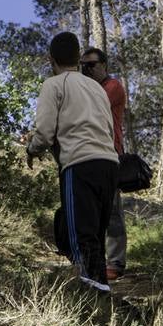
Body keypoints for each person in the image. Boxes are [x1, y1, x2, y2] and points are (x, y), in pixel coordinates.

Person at [25, 32, 118, 293]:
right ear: (78, 57)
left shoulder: (53, 85)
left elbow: (44, 133)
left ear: (50, 59)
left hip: (79, 165)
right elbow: (109, 128)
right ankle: (102, 291)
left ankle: (91, 298)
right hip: (109, 164)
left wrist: (32, 149)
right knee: (96, 237)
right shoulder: (97, 88)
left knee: (80, 237)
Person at [80, 46, 128, 282]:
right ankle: (95, 260)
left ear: (103, 65)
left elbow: (91, 111)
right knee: (92, 210)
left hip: (111, 154)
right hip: (88, 154)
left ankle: (116, 261)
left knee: (112, 212)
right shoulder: (87, 88)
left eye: (91, 65)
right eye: (83, 65)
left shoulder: (113, 87)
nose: (87, 69)